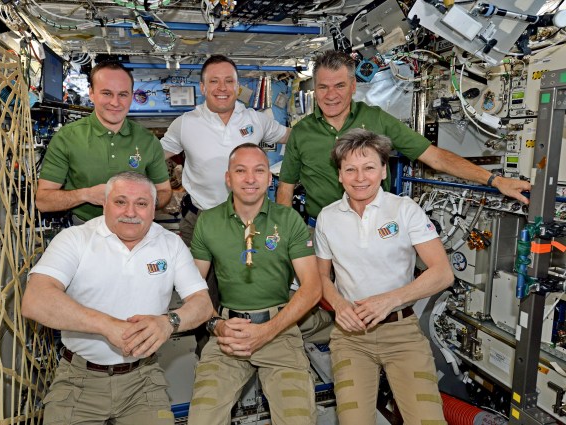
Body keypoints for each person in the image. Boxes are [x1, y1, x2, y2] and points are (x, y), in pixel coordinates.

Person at [22, 171, 212, 425]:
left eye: (141, 204)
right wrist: (107, 326)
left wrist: (169, 322)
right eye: (120, 202)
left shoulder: (170, 245)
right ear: (104, 203)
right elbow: (35, 299)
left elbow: (202, 304)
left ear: (154, 208)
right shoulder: (76, 239)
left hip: (143, 380)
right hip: (79, 381)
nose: (131, 212)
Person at [277, 49, 531, 224]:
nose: (330, 94)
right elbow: (286, 190)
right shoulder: (301, 133)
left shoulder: (377, 119)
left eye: (340, 85)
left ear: (353, 87)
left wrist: (495, 181)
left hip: (376, 228)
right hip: (323, 229)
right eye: (323, 87)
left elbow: (435, 157)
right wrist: (288, 239)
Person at [314, 129, 454, 424]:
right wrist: (340, 306)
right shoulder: (328, 217)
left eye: (369, 168)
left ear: (382, 171)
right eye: (350, 169)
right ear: (339, 175)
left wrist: (389, 300)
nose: (360, 177)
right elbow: (321, 279)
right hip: (351, 337)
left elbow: (442, 273)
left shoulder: (404, 210)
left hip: (401, 333)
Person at [186, 143, 322, 425]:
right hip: (228, 332)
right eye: (241, 171)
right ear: (228, 178)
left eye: (259, 171)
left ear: (269, 179)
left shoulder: (289, 221)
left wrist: (268, 331)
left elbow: (312, 288)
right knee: (202, 418)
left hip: (279, 331)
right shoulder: (208, 223)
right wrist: (216, 325)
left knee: (298, 419)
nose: (250, 179)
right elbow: (194, 289)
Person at [161, 54, 290, 246]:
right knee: (197, 276)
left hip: (248, 219)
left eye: (229, 81)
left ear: (237, 87)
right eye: (214, 81)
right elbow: (153, 156)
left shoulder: (256, 120)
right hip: (200, 218)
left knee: (245, 273)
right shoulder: (184, 123)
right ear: (203, 88)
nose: (222, 87)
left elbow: (295, 138)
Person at [36, 61, 172, 224]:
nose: (115, 102)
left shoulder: (148, 141)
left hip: (136, 227)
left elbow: (164, 191)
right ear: (92, 94)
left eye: (122, 94)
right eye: (107, 93)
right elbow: (43, 201)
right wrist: (86, 195)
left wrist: (142, 205)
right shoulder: (67, 137)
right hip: (85, 229)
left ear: (131, 95)